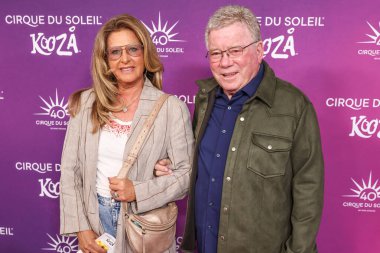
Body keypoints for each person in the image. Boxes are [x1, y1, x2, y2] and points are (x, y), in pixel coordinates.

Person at [155, 5, 324, 253]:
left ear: (260, 49)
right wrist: (174, 165)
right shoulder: (205, 99)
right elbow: (203, 163)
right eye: (216, 53)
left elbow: (308, 192)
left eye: (235, 50)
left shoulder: (294, 106)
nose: (225, 62)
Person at [59, 14, 194, 253]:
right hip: (94, 221)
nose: (125, 59)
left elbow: (185, 175)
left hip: (144, 226)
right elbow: (70, 171)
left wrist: (138, 191)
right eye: (115, 52)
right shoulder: (85, 103)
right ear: (106, 60)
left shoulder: (171, 108)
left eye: (132, 49)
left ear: (145, 54)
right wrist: (81, 228)